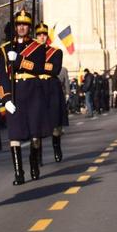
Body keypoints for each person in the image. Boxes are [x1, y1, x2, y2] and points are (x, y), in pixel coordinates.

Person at [0, 10, 49, 185]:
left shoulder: (38, 47)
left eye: (25, 24)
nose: (21, 27)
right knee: (14, 135)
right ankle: (18, 172)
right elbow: (2, 76)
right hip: (14, 92)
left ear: (29, 27)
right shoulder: (5, 49)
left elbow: (39, 67)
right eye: (19, 24)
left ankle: (34, 163)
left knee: (35, 134)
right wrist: (6, 98)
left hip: (33, 92)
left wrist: (18, 60)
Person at [34, 22, 68, 163]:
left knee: (55, 124)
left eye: (44, 35)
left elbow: (55, 69)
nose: (41, 37)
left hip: (52, 87)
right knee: (38, 124)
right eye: (39, 35)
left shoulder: (56, 52)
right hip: (36, 87)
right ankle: (38, 155)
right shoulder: (30, 51)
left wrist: (37, 66)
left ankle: (56, 147)